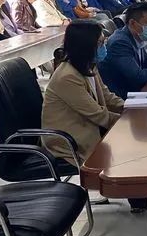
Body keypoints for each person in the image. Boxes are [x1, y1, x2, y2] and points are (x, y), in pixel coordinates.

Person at [41, 20, 124, 165]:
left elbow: (107, 96)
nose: (104, 47)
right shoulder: (67, 76)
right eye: (100, 44)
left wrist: (130, 108)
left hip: (89, 128)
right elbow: (97, 114)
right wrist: (127, 121)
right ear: (85, 47)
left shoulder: (88, 66)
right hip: (72, 141)